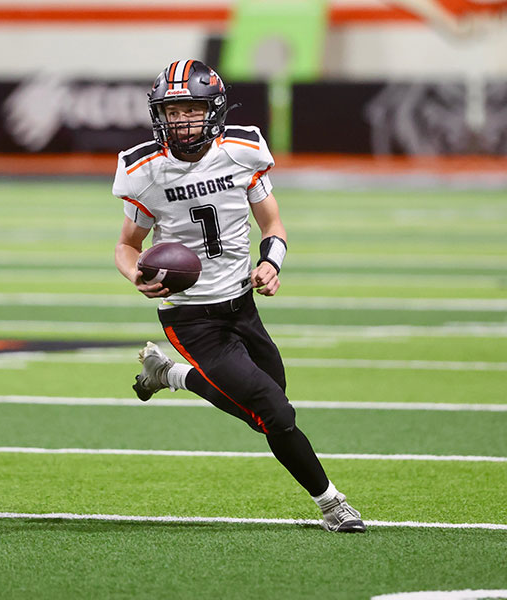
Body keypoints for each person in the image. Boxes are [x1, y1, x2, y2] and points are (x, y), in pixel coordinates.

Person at [113, 59, 365, 533]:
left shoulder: (242, 150)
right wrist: (135, 276)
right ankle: (333, 504)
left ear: (214, 110)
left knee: (267, 409)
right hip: (191, 318)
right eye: (173, 112)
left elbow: (273, 225)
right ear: (159, 115)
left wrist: (272, 263)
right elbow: (126, 246)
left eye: (192, 110)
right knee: (276, 412)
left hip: (241, 305)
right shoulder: (145, 169)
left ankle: (171, 376)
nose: (182, 121)